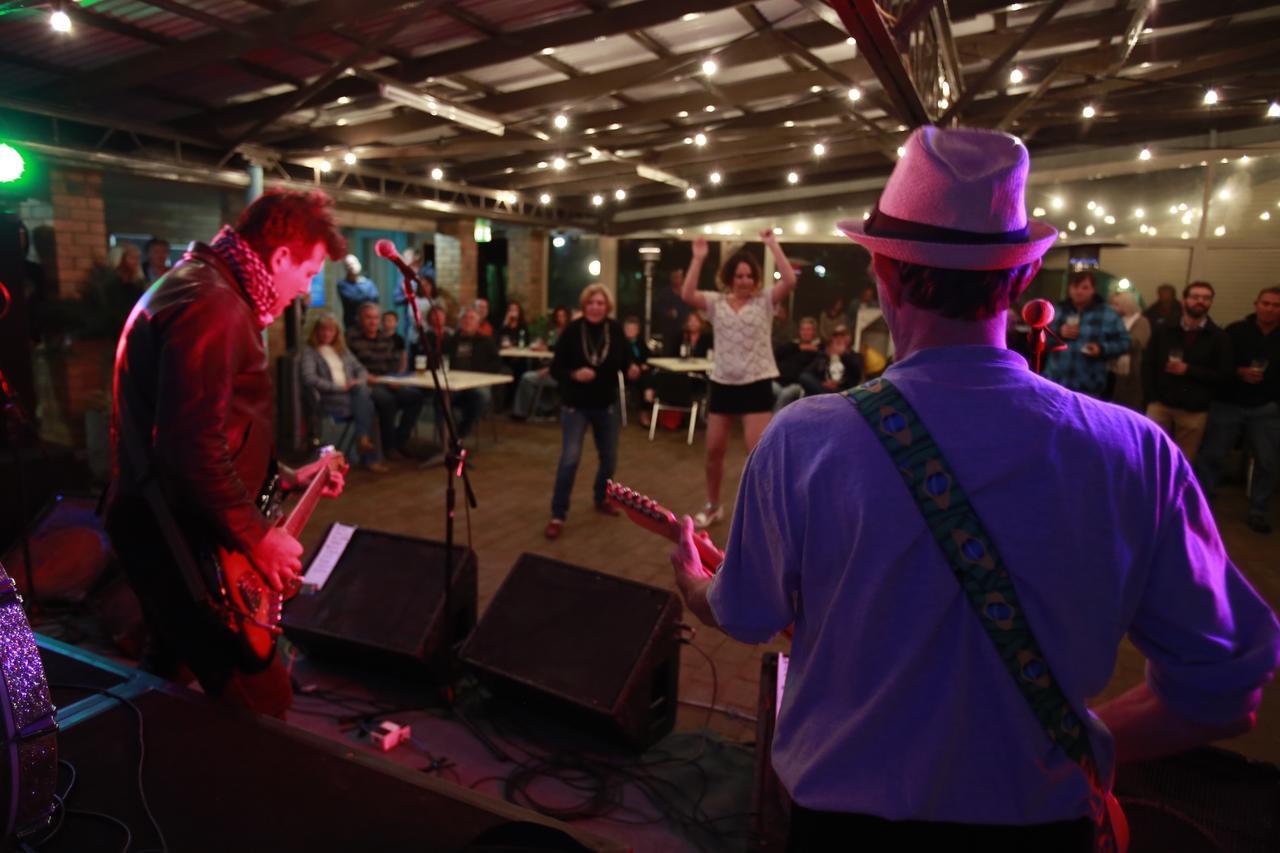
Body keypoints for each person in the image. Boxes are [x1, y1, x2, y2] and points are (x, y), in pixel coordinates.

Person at [668, 126, 1280, 850]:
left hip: (842, 825)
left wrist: (696, 581)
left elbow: (744, 612)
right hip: (1042, 823)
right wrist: (1079, 741)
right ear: (1021, 281)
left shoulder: (805, 439)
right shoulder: (1135, 451)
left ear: (884, 275)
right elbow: (1227, 683)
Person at [106, 189, 349, 717]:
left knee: (164, 672)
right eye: (307, 273)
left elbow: (215, 432)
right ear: (280, 256)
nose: (306, 290)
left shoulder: (207, 288)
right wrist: (259, 536)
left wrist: (285, 477)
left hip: (170, 526)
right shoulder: (214, 304)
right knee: (263, 704)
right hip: (179, 535)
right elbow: (188, 446)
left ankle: (142, 778)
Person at [682, 232, 797, 527]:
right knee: (714, 449)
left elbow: (789, 281)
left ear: (755, 278)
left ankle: (762, 508)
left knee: (756, 452)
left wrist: (772, 245)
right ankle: (712, 504)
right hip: (723, 382)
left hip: (756, 382)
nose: (744, 280)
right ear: (730, 278)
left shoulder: (764, 302)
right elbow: (687, 294)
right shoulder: (716, 302)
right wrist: (697, 258)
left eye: (748, 275)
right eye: (738, 275)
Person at [544, 284, 639, 540]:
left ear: (607, 306)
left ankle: (600, 498)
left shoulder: (615, 330)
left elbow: (627, 361)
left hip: (605, 405)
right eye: (591, 303)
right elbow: (555, 369)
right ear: (584, 305)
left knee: (609, 458)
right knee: (570, 459)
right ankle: (558, 514)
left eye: (600, 303)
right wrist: (575, 374)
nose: (596, 307)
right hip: (575, 405)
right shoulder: (573, 331)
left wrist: (631, 370)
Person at [1193, 286, 1280, 534]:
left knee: (1267, 461)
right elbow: (1220, 366)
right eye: (1266, 303)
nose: (1270, 309)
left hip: (1266, 407)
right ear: (1256, 304)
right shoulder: (1236, 331)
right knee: (1212, 456)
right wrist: (1238, 372)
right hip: (1230, 403)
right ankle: (1201, 505)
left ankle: (1259, 509)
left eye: (1276, 305)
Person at [1143, 281, 1232, 462]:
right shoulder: (1164, 330)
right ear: (1184, 300)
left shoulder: (1219, 337)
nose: (1200, 301)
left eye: (1206, 298)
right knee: (1149, 455)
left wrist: (1189, 370)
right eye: (1195, 297)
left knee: (1183, 461)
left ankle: (1174, 491)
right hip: (1161, 404)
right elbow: (1147, 364)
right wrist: (1151, 397)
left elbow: (1224, 375)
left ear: (1211, 303)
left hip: (1194, 410)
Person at [299, 314, 388, 473]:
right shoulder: (310, 352)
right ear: (316, 332)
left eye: (330, 330)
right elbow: (309, 378)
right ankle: (370, 455)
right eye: (323, 330)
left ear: (336, 333)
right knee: (370, 408)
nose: (326, 334)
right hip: (329, 397)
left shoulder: (342, 350)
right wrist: (339, 387)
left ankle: (363, 440)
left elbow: (361, 369)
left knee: (364, 397)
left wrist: (358, 381)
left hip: (351, 394)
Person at [348, 301, 426, 459]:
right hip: (366, 384)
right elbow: (349, 367)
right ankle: (388, 446)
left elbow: (393, 364)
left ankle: (400, 439)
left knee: (416, 396)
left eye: (376, 318)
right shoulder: (351, 338)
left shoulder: (385, 338)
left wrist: (395, 379)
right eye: (368, 318)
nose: (373, 322)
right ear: (360, 319)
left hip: (386, 380)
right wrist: (367, 378)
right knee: (388, 401)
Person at [1041, 270, 1130, 398]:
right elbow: (1040, 341)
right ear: (1069, 289)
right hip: (1055, 384)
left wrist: (1101, 348)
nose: (1079, 291)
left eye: (1085, 287)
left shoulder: (1107, 313)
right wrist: (1058, 333)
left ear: (1093, 290)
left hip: (1089, 387)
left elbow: (1125, 342)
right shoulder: (1057, 311)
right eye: (1075, 287)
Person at [442, 308, 504, 439]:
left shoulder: (486, 341)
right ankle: (446, 438)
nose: (467, 321)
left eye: (471, 319)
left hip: (476, 384)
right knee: (440, 398)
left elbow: (497, 364)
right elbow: (441, 359)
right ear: (460, 322)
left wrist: (479, 374)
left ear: (477, 323)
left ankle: (459, 434)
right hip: (454, 383)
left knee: (482, 396)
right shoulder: (451, 341)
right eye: (465, 318)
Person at [510, 306, 571, 421]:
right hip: (548, 367)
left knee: (526, 378)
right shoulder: (552, 332)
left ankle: (521, 413)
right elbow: (550, 348)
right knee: (527, 371)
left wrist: (549, 369)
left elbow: (565, 359)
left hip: (558, 374)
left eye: (563, 316)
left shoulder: (569, 336)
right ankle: (542, 408)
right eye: (558, 316)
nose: (560, 319)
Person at [1107, 291, 1151, 411]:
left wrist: (1115, 341)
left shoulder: (1141, 321)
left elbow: (1137, 342)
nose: (1112, 307)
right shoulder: (1114, 320)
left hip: (1130, 369)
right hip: (1111, 366)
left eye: (1116, 304)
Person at [773, 316, 823, 411]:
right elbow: (777, 353)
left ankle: (774, 423)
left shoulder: (819, 348)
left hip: (797, 385)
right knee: (766, 389)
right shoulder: (793, 345)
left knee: (785, 394)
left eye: (808, 330)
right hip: (779, 381)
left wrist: (810, 348)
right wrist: (800, 347)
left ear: (814, 332)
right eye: (803, 329)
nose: (805, 332)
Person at [798, 324, 862, 396]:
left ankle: (827, 396)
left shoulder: (854, 356)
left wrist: (843, 355)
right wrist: (822, 383)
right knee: (804, 378)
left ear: (849, 338)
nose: (839, 338)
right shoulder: (824, 355)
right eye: (836, 336)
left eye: (842, 336)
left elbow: (856, 376)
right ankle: (826, 396)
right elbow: (807, 373)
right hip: (822, 388)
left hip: (842, 392)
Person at [652, 268, 691, 352]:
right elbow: (658, 310)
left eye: (679, 277)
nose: (676, 279)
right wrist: (667, 313)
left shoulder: (688, 293)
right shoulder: (664, 293)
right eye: (674, 277)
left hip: (686, 331)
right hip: (669, 333)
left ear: (683, 278)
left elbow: (692, 310)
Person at [337, 254, 379, 331]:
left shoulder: (368, 283)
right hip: (352, 323)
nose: (352, 266)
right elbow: (353, 300)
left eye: (354, 263)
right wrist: (366, 295)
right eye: (349, 264)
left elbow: (375, 300)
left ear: (359, 264)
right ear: (345, 268)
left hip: (370, 322)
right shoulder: (342, 284)